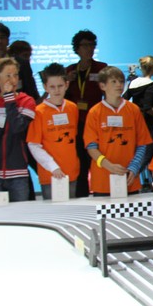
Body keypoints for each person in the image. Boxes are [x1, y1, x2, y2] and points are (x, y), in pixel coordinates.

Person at [85, 66, 153, 197]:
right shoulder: (94, 112)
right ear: (102, 86)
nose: (119, 85)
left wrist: (134, 167)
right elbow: (91, 146)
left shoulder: (133, 110)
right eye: (114, 81)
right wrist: (107, 165)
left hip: (129, 178)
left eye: (121, 81)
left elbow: (142, 143)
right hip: (102, 180)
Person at [0, 57, 37, 202]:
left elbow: (18, 127)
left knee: (20, 213)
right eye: (8, 76)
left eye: (15, 75)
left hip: (19, 174)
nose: (13, 80)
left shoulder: (27, 101)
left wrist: (9, 99)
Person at [27, 63, 80, 200]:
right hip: (50, 175)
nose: (56, 90)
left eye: (60, 86)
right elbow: (33, 144)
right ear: (45, 87)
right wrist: (53, 167)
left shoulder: (72, 108)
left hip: (71, 172)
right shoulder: (39, 112)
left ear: (67, 84)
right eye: (52, 87)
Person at [64, 29, 108, 197]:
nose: (89, 48)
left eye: (92, 45)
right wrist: (67, 82)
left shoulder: (101, 68)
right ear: (77, 48)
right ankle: (81, 196)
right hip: (77, 122)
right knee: (80, 161)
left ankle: (101, 192)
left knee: (97, 158)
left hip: (96, 121)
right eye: (85, 45)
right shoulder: (70, 71)